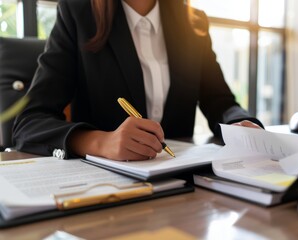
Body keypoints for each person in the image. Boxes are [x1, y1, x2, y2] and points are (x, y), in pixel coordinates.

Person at [13, 0, 263, 161]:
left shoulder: (193, 22)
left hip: (182, 183)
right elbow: (28, 124)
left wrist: (240, 124)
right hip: (107, 189)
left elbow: (220, 100)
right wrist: (100, 142)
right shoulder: (77, 13)